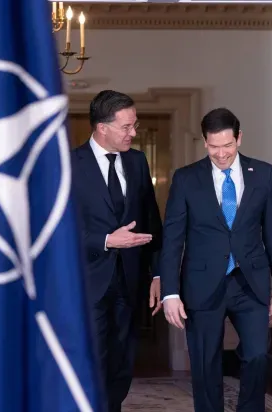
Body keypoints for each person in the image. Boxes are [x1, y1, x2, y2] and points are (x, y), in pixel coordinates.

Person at [159, 107, 272, 411]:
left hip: (250, 282)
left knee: (258, 355)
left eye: (227, 145)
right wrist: (170, 292)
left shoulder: (263, 173)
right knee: (205, 364)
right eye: (213, 146)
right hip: (202, 283)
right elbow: (173, 239)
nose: (221, 154)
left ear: (239, 138)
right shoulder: (186, 178)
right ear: (205, 142)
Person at [70, 90, 163, 412]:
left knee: (122, 362)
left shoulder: (138, 162)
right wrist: (107, 240)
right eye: (126, 127)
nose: (133, 133)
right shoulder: (69, 164)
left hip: (131, 281)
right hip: (88, 282)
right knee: (93, 359)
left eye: (134, 125)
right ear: (102, 127)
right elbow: (58, 230)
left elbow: (152, 220)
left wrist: (157, 274)